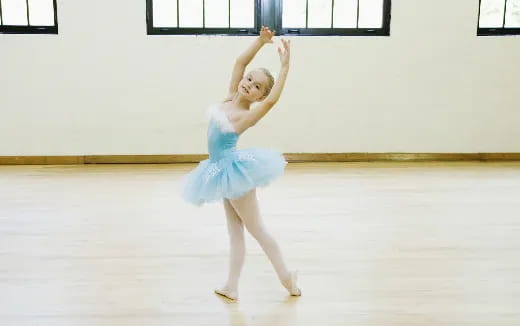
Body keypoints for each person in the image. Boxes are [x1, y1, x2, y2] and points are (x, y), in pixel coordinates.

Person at [180, 26, 301, 301]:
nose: (249, 85)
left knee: (256, 229)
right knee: (235, 232)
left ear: (258, 96)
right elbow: (239, 62)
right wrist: (260, 41)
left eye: (256, 86)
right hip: (221, 171)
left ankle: (286, 278)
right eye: (249, 80)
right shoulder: (229, 97)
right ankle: (231, 286)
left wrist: (285, 67)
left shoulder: (243, 115)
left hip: (233, 173)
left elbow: (271, 102)